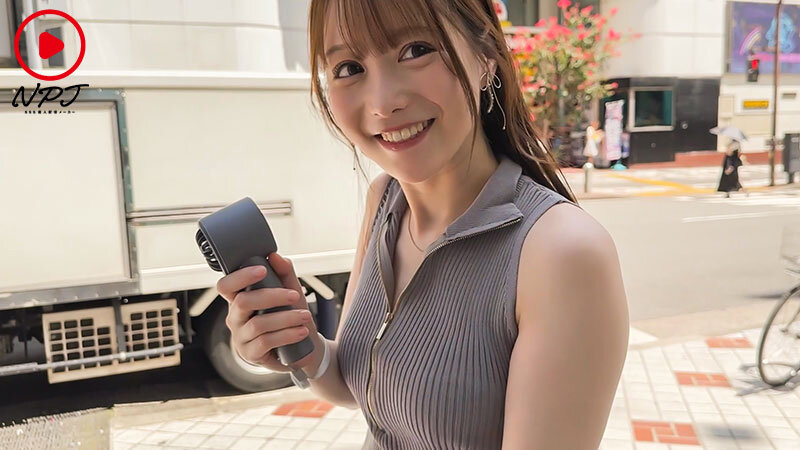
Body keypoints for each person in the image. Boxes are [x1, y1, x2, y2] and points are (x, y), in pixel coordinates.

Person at [215, 1, 629, 448]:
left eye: (416, 50)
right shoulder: (385, 201)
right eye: (349, 67)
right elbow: (357, 386)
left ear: (486, 56)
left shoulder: (561, 253)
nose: (383, 103)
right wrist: (299, 345)